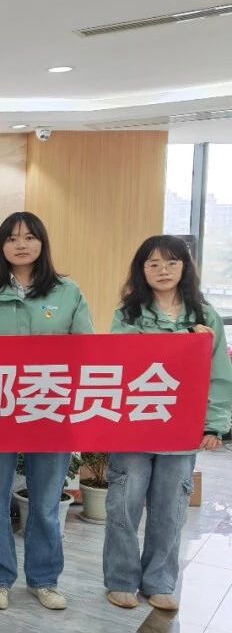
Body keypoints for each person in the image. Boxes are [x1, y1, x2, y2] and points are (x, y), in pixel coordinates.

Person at [104, 235, 231, 611]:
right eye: (154, 264)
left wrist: (214, 425)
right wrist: (184, 339)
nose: (163, 270)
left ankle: (160, 581)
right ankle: (121, 579)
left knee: (170, 508)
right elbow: (128, 357)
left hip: (180, 429)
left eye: (172, 262)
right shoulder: (128, 313)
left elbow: (219, 375)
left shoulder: (205, 315)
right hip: (135, 425)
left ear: (185, 268)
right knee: (123, 504)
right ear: (141, 270)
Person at [0, 211, 94, 612]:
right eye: (11, 238)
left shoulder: (67, 291)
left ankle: (44, 579)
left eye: (29, 237)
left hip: (51, 408)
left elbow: (86, 350)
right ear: (1, 247)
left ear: (42, 243)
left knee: (45, 502)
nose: (21, 245)